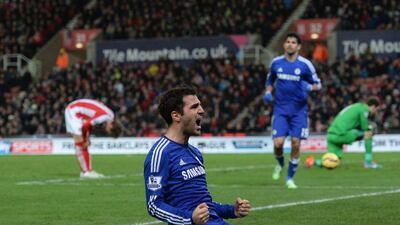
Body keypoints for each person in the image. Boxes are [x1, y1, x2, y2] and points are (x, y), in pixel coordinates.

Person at [144, 86, 251, 225]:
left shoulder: (195, 153)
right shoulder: (160, 154)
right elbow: (154, 205)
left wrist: (231, 211)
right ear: (176, 115)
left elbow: (204, 205)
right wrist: (189, 218)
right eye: (194, 107)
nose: (202, 110)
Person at [263, 33, 322, 189]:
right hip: (280, 110)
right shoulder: (276, 63)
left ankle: (290, 178)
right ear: (284, 45)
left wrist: (309, 87)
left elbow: (318, 84)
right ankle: (281, 163)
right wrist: (268, 92)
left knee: (296, 144)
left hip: (299, 112)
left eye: (293, 42)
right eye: (287, 42)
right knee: (278, 144)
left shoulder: (305, 65)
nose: (290, 44)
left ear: (299, 46)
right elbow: (270, 81)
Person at [65, 99, 121, 178]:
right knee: (81, 143)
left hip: (80, 112)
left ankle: (87, 171)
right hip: (74, 111)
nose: (106, 130)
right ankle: (86, 172)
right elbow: (86, 125)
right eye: (109, 131)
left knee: (83, 143)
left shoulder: (110, 115)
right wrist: (86, 139)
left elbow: (90, 123)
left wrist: (87, 138)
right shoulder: (103, 117)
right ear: (111, 125)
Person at [326, 97, 381, 168]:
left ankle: (313, 162)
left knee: (330, 160)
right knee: (368, 133)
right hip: (340, 134)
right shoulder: (364, 109)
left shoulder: (356, 106)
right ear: (373, 106)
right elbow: (365, 127)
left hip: (331, 134)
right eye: (377, 109)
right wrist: (371, 128)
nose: (376, 112)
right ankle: (368, 162)